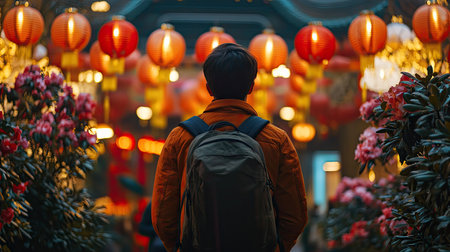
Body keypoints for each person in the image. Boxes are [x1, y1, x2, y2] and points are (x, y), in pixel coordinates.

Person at [152, 43, 307, 251]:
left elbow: (163, 215)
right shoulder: (276, 140)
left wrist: (179, 248)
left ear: (208, 88)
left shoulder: (180, 138)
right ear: (251, 87)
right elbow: (295, 216)